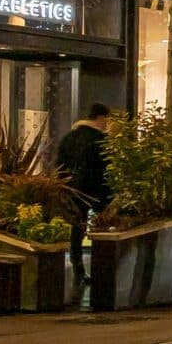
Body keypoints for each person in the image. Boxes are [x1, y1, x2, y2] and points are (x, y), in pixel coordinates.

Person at [54, 102, 110, 288]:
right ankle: (101, 269)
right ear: (101, 117)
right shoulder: (100, 140)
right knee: (104, 227)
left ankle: (78, 267)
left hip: (72, 189)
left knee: (77, 229)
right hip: (95, 191)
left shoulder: (70, 137)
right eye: (106, 120)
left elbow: (59, 164)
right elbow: (104, 169)